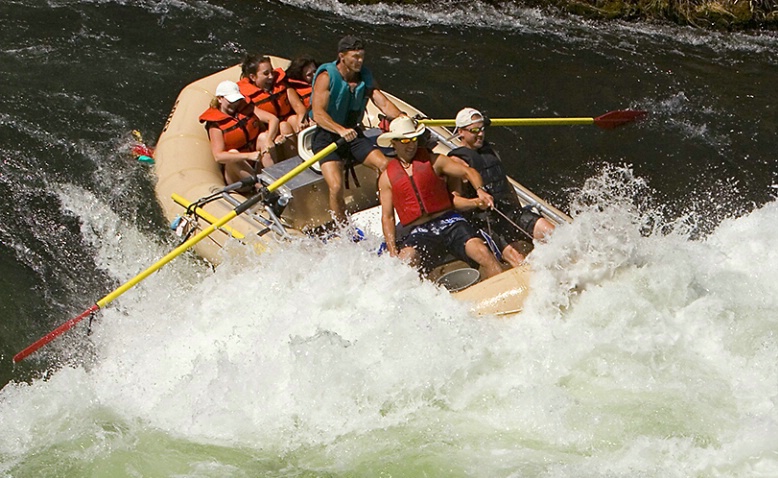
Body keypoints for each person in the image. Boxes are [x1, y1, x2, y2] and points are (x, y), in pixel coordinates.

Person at [377, 117, 503, 279]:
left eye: (414, 139)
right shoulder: (386, 178)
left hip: (449, 222)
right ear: (393, 143)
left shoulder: (435, 161)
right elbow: (387, 217)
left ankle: (503, 287)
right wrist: (392, 249)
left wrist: (481, 190)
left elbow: (468, 172)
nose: (411, 145)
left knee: (481, 251)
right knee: (405, 261)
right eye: (405, 140)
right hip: (420, 231)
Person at [310, 35, 405, 223]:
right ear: (342, 56)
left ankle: (387, 211)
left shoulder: (364, 77)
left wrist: (403, 119)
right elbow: (319, 114)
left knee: (386, 165)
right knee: (336, 186)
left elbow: (383, 103)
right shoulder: (326, 77)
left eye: (362, 56)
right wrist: (340, 130)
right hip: (328, 138)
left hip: (353, 136)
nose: (359, 61)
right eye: (355, 57)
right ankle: (342, 228)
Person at [448, 107, 555, 268]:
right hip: (486, 222)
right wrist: (477, 202)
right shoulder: (457, 162)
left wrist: (518, 210)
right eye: (474, 130)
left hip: (509, 211)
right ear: (461, 132)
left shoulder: (489, 151)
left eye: (482, 129)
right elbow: (454, 201)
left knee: (552, 233)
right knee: (518, 259)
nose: (480, 134)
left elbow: (506, 185)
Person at [198, 80, 275, 186]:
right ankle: (259, 186)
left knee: (263, 137)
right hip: (238, 175)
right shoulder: (216, 125)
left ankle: (274, 180)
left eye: (237, 100)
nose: (235, 105)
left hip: (255, 161)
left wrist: (269, 138)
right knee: (233, 152)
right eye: (231, 101)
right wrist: (248, 156)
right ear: (220, 99)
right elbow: (218, 156)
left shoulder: (246, 108)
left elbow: (272, 119)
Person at [238, 54, 307, 158]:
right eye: (266, 74)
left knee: (292, 120)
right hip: (267, 132)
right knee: (282, 127)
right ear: (253, 77)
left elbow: (298, 105)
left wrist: (302, 120)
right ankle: (291, 162)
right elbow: (258, 125)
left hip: (285, 124)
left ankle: (301, 155)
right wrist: (273, 137)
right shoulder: (247, 98)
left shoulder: (281, 85)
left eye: (272, 71)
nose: (271, 76)